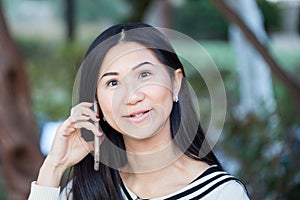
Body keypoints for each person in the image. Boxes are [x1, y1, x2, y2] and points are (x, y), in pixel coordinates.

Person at [28, 22, 250, 200]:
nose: (132, 96)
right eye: (113, 83)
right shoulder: (84, 191)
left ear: (175, 82)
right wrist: (55, 166)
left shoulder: (222, 193)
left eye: (144, 75)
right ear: (97, 103)